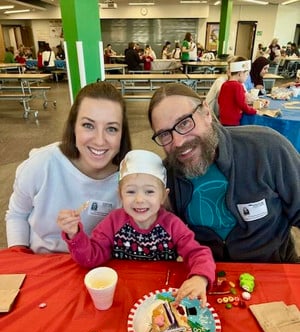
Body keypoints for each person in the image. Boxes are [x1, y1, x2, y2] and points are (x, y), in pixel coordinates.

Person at [147, 82, 300, 263]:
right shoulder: (166, 175)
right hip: (208, 276)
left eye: (185, 122)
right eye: (165, 134)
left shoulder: (267, 148)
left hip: (273, 270)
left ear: (206, 113)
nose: (178, 142)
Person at [57, 149, 216, 306]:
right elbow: (91, 258)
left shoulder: (173, 225)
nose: (140, 199)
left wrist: (200, 277)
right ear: (120, 195)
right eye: (131, 191)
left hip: (161, 296)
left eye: (149, 192)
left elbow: (198, 253)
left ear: (163, 196)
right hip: (121, 296)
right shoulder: (113, 222)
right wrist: (74, 234)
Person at [5, 81, 132, 253]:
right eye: (88, 125)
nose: (100, 140)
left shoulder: (128, 179)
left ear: (122, 134)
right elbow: (17, 214)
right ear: (73, 126)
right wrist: (19, 254)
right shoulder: (42, 164)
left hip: (97, 267)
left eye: (111, 128)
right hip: (41, 260)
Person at [218, 58, 257, 126]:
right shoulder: (238, 86)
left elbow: (219, 100)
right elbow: (242, 104)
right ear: (240, 74)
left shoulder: (225, 84)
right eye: (247, 74)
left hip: (223, 118)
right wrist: (253, 111)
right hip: (233, 120)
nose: (247, 77)